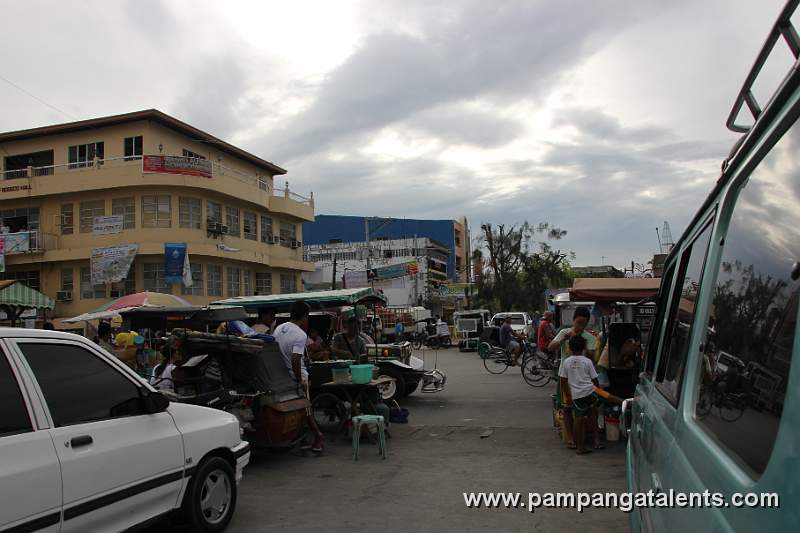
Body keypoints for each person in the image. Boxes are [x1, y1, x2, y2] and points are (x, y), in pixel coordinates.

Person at [272, 301, 324, 453]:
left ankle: (302, 438)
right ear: (304, 316)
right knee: (306, 408)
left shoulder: (279, 329)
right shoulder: (300, 334)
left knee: (296, 409)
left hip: (282, 376)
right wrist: (299, 380)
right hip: (298, 375)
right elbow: (295, 359)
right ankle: (319, 436)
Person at [548, 306, 598, 447]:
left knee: (590, 408)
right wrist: (563, 339)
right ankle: (570, 438)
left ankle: (591, 437)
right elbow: (551, 347)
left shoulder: (589, 337)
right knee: (567, 408)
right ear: (573, 320)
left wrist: (587, 349)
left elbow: (592, 360)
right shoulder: (564, 332)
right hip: (565, 378)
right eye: (578, 323)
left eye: (583, 324)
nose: (580, 326)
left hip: (583, 380)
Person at [559, 335, 601, 454]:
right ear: (584, 348)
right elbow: (595, 379)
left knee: (578, 419)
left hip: (576, 396)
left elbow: (563, 380)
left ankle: (580, 446)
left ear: (569, 348)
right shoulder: (587, 361)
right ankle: (596, 441)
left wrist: (568, 396)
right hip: (589, 392)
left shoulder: (566, 362)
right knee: (592, 414)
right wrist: (598, 391)